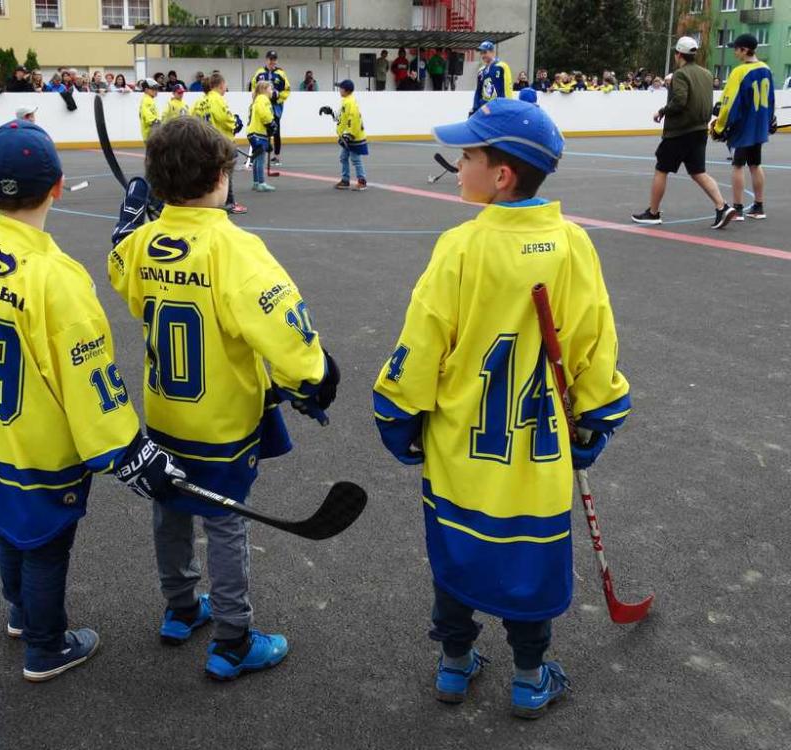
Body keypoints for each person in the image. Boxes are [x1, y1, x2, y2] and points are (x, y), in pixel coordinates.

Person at [373, 97, 630, 719]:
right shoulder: (573, 244)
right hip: (535, 459)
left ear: (502, 175)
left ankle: (455, 663)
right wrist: (596, 418)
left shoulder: (460, 246)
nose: (458, 165)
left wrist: (397, 413)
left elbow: (423, 339)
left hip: (461, 453)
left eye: (468, 155)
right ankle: (529, 676)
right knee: (528, 568)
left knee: (457, 559)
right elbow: (593, 342)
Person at [0, 119, 182, 683]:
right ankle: (45, 646)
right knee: (45, 539)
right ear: (59, 186)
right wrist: (126, 448)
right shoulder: (56, 276)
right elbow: (89, 373)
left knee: (9, 523)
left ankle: (20, 612)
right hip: (40, 444)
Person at [106, 114, 338, 681]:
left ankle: (182, 608)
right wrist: (314, 373)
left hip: (165, 415)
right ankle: (234, 638)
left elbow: (120, 269)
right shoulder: (235, 247)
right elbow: (283, 328)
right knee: (226, 522)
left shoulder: (142, 244)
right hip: (222, 421)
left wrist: (129, 226)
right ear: (219, 178)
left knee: (170, 510)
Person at [631, 38, 735, 229]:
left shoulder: (680, 74)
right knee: (698, 171)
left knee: (662, 169)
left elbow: (680, 100)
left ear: (678, 54)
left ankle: (653, 213)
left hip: (680, 131)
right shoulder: (706, 73)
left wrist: (662, 111)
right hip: (700, 130)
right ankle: (722, 206)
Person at [712, 33, 775, 221]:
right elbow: (771, 99)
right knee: (755, 164)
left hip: (743, 124)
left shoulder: (739, 72)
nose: (735, 52)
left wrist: (720, 126)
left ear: (745, 50)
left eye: (737, 49)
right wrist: (769, 120)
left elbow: (728, 102)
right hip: (759, 124)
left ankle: (738, 208)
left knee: (738, 164)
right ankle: (758, 206)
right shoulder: (766, 69)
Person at [201, 72, 247, 214]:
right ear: (221, 85)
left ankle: (212, 200)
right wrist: (235, 123)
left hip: (211, 139)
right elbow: (224, 117)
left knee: (215, 173)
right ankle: (229, 203)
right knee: (226, 173)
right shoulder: (217, 99)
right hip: (223, 140)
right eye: (225, 85)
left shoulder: (204, 100)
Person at [250, 51, 290, 167]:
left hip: (275, 107)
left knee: (275, 130)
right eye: (270, 59)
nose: (273, 61)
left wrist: (278, 95)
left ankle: (276, 156)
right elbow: (253, 88)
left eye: (274, 59)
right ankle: (256, 156)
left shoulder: (281, 73)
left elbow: (287, 90)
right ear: (266, 59)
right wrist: (256, 99)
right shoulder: (259, 72)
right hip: (262, 105)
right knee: (259, 130)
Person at [332, 79, 368, 191]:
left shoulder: (350, 102)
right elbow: (342, 117)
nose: (339, 90)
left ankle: (362, 181)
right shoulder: (346, 101)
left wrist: (350, 134)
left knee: (355, 159)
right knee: (343, 157)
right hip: (347, 136)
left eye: (341, 88)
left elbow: (354, 119)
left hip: (353, 137)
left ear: (346, 90)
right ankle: (345, 180)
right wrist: (331, 113)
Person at [247, 80, 276, 192]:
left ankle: (256, 182)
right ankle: (261, 183)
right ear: (264, 90)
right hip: (258, 132)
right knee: (260, 159)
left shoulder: (257, 99)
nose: (272, 91)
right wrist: (270, 123)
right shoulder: (263, 99)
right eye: (270, 89)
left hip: (253, 132)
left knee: (256, 158)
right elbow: (264, 114)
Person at [472, 41, 512, 113]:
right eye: (481, 53)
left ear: (493, 52)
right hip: (485, 108)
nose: (483, 55)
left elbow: (507, 88)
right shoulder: (481, 70)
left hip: (499, 108)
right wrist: (475, 108)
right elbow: (478, 91)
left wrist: (508, 106)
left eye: (485, 52)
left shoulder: (502, 66)